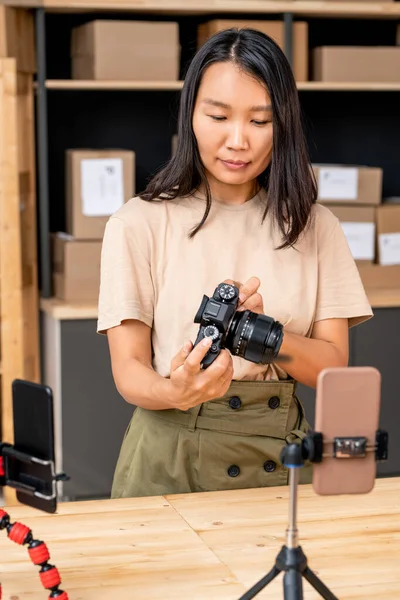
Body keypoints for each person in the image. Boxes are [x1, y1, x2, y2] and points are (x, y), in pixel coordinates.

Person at [97, 28, 373, 498]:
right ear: (191, 115)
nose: (238, 140)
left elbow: (334, 372)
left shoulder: (315, 226)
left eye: (261, 121)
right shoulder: (137, 222)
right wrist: (177, 391)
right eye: (218, 116)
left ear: (283, 123)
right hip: (169, 461)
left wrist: (263, 337)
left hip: (281, 456)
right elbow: (130, 373)